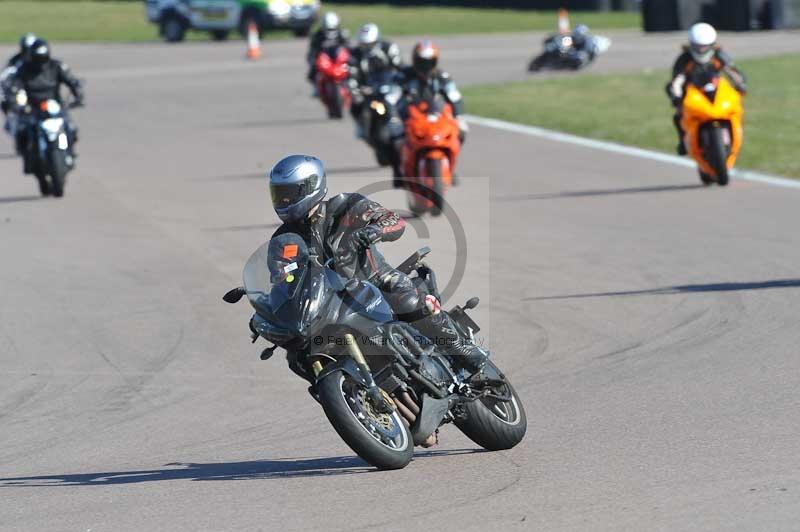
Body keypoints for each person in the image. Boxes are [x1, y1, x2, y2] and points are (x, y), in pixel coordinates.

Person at [267, 154, 488, 384]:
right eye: (279, 195)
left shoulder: (344, 207)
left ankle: (466, 354)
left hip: (376, 280)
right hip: (330, 303)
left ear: (311, 186)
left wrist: (374, 231)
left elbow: (393, 220)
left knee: (409, 301)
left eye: (288, 195)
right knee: (298, 353)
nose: (283, 201)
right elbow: (282, 278)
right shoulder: (283, 241)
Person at [666, 23, 747, 155]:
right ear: (692, 44)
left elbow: (731, 71)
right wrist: (676, 95)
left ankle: (737, 131)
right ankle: (683, 140)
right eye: (698, 46)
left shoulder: (718, 55)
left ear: (712, 44)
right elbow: (677, 80)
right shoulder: (684, 59)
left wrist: (740, 83)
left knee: (737, 106)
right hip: (692, 91)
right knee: (678, 115)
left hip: (715, 88)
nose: (701, 50)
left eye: (705, 46)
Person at [15, 39, 84, 156]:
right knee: (22, 131)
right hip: (32, 107)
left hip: (55, 105)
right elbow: (13, 85)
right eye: (38, 58)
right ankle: (28, 155)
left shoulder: (56, 66)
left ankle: (68, 152)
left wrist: (78, 95)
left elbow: (71, 81)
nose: (40, 62)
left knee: (69, 128)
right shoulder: (24, 69)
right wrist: (15, 102)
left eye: (43, 58)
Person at [347, 23, 402, 136]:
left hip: (390, 86)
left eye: (370, 44)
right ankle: (361, 125)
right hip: (368, 89)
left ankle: (399, 122)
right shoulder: (355, 54)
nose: (367, 48)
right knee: (355, 105)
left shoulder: (388, 48)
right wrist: (356, 91)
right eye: (364, 44)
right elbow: (351, 75)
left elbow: (399, 66)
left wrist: (400, 81)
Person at [306, 12, 349, 91]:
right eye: (329, 29)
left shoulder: (341, 34)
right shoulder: (317, 36)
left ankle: (351, 85)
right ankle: (316, 87)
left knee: (351, 67)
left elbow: (348, 48)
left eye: (333, 29)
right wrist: (313, 60)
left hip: (338, 59)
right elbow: (313, 51)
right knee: (313, 69)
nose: (331, 32)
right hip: (323, 59)